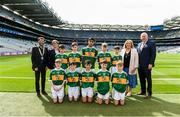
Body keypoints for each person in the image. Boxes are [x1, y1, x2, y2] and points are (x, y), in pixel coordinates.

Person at [137, 32, 156, 99]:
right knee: (141, 79)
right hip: (140, 65)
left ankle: (149, 92)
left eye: (144, 36)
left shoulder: (151, 43)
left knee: (148, 79)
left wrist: (151, 63)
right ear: (140, 37)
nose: (143, 37)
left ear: (147, 37)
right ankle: (143, 91)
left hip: (147, 65)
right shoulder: (139, 44)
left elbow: (153, 54)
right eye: (142, 36)